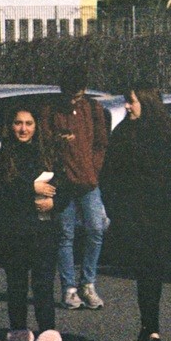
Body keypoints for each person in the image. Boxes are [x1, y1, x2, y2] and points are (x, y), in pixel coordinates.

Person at [101, 82, 171, 341]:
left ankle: (151, 331)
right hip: (134, 217)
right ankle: (150, 330)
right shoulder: (123, 133)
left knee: (152, 273)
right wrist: (117, 210)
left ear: (146, 102)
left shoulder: (170, 133)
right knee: (146, 272)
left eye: (131, 101)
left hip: (162, 217)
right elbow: (109, 175)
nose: (127, 106)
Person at [0, 107, 67, 341]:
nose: (23, 129)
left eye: (29, 123)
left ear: (36, 126)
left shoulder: (49, 154)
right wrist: (30, 188)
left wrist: (55, 203)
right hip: (15, 233)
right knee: (17, 287)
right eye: (18, 123)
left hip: (44, 231)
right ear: (11, 126)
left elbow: (65, 187)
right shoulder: (2, 157)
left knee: (44, 287)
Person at [42, 65, 111, 311]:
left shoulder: (93, 109)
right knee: (65, 234)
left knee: (96, 229)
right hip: (62, 182)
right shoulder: (50, 110)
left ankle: (88, 283)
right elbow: (44, 143)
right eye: (70, 95)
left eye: (78, 95)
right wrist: (58, 143)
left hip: (88, 181)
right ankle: (69, 288)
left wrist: (93, 169)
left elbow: (101, 144)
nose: (74, 100)